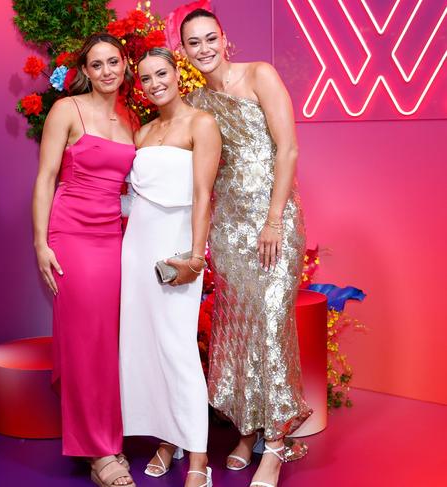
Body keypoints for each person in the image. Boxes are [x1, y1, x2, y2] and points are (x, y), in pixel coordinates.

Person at [180, 9, 312, 487]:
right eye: (193, 43)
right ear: (184, 51)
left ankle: (274, 447)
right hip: (229, 229)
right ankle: (247, 430)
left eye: (210, 38)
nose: (204, 48)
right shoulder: (197, 101)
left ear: (224, 39)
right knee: (239, 333)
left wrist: (274, 220)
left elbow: (288, 149)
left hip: (274, 222)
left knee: (272, 328)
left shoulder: (261, 75)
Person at [31, 32, 137, 487]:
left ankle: (105, 438)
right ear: (85, 72)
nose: (107, 71)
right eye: (97, 65)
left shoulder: (131, 118)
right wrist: (40, 243)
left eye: (113, 62)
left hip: (113, 235)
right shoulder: (66, 111)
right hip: (72, 233)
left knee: (106, 340)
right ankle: (98, 452)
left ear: (124, 65)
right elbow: (45, 178)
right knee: (86, 339)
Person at [119, 47, 221, 487]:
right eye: (145, 78)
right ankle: (166, 440)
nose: (155, 83)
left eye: (161, 73)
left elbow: (203, 195)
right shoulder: (142, 133)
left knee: (178, 351)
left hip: (177, 248)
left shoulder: (202, 123)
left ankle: (198, 457)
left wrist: (196, 256)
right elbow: (134, 197)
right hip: (137, 246)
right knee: (146, 348)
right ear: (138, 87)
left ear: (178, 75)